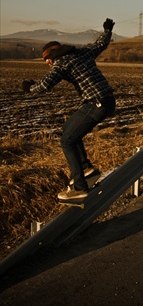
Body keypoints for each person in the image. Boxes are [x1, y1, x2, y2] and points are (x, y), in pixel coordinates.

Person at [22, 18, 116, 203]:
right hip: (105, 100)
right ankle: (86, 168)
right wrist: (107, 30)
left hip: (96, 103)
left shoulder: (61, 63)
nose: (48, 64)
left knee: (66, 141)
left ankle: (80, 187)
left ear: (51, 56)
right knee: (68, 129)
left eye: (47, 60)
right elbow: (101, 44)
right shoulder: (82, 52)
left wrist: (29, 88)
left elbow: (46, 85)